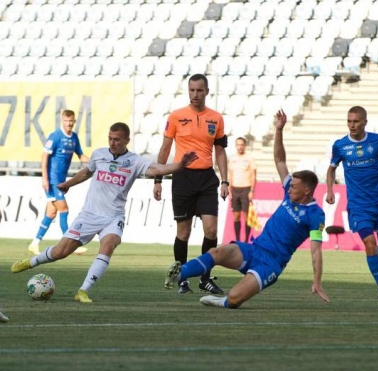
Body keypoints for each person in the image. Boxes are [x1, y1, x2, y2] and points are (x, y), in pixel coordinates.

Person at [11, 123, 199, 303]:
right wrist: (68, 184)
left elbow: (160, 168)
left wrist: (181, 165)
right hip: (89, 214)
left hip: (113, 217)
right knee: (61, 252)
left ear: (126, 140)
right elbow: (86, 172)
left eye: (117, 139)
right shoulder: (99, 154)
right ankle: (31, 262)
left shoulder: (135, 161)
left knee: (108, 246)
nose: (112, 143)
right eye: (110, 138)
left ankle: (83, 290)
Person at [165, 110, 330, 309]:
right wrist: (279, 130)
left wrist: (317, 281)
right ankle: (179, 275)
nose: (289, 188)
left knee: (234, 300)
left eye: (294, 186)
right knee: (217, 252)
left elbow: (315, 251)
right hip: (254, 249)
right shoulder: (289, 192)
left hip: (271, 263)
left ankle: (222, 301)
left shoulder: (315, 215)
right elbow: (280, 161)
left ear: (307, 190)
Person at [153, 73, 229, 295]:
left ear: (207, 91)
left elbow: (220, 152)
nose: (195, 94)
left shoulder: (216, 118)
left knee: (211, 230)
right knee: (184, 233)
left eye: (199, 90)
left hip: (206, 178)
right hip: (183, 177)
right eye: (192, 90)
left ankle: (205, 278)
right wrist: (158, 179)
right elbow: (165, 149)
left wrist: (225, 180)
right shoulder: (176, 116)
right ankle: (182, 279)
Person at [325, 106, 378, 301]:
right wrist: (330, 190)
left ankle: (376, 256)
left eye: (356, 121)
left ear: (365, 122)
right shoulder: (340, 145)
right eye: (349, 121)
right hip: (358, 206)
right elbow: (331, 169)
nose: (352, 125)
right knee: (369, 242)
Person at [29, 109, 90, 256]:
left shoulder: (74, 138)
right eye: (66, 121)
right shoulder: (55, 136)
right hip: (52, 181)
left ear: (74, 121)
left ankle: (34, 243)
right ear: (62, 121)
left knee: (51, 213)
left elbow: (81, 156)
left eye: (71, 121)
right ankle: (69, 245)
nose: (69, 123)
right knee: (64, 210)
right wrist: (44, 178)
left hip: (61, 181)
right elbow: (44, 156)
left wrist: (96, 161)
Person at [228, 137, 257, 242]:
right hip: (235, 189)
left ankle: (246, 241)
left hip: (246, 188)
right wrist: (229, 190)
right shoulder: (232, 159)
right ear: (235, 146)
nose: (240, 147)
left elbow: (253, 175)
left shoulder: (249, 158)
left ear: (244, 146)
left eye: (241, 145)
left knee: (246, 216)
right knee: (236, 216)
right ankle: (237, 240)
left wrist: (252, 191)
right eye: (238, 145)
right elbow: (230, 175)